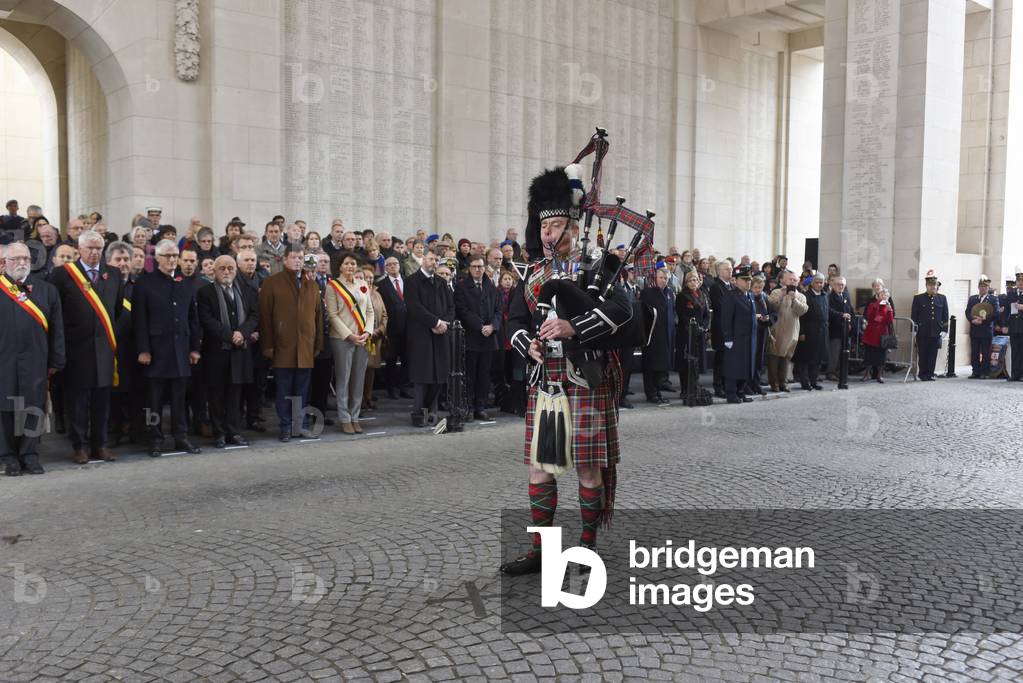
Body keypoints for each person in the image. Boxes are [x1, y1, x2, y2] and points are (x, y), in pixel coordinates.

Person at [500, 164, 631, 576]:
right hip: (546, 384)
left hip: (584, 378)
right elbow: (514, 322)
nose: (549, 234)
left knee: (589, 468)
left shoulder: (599, 267)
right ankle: (543, 551)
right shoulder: (534, 273)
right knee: (541, 468)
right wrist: (529, 345)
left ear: (573, 228)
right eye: (544, 228)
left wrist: (574, 326)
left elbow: (623, 312)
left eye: (556, 226)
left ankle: (587, 547)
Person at [47, 230, 124, 464]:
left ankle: (99, 445)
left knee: (102, 400)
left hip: (104, 350)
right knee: (78, 402)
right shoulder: (62, 275)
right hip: (76, 349)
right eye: (90, 248)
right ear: (79, 249)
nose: (94, 253)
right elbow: (55, 313)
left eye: (98, 249)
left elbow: (116, 310)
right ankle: (79, 446)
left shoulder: (113, 274)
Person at [132, 239, 203, 457]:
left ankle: (180, 436)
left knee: (179, 398)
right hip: (156, 350)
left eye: (175, 256)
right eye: (168, 256)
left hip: (181, 349)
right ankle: (155, 438)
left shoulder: (185, 282)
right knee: (154, 400)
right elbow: (139, 320)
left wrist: (194, 348)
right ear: (158, 258)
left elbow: (193, 318)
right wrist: (143, 349)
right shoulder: (145, 283)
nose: (172, 260)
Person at [0, 242, 65, 476]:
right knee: (5, 409)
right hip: (4, 361)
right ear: (4, 262)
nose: (22, 263)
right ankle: (8, 456)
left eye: (26, 258)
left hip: (36, 360)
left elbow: (58, 329)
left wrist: (57, 361)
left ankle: (30, 454)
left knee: (33, 408)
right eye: (16, 259)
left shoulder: (46, 290)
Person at [258, 244, 324, 441]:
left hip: (306, 347)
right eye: (294, 257)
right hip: (282, 347)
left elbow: (318, 317)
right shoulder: (272, 283)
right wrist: (268, 345)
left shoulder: (311, 284)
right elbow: (265, 318)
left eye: (300, 257)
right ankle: (286, 426)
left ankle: (301, 425)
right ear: (285, 259)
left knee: (302, 390)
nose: (297, 260)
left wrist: (317, 343)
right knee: (285, 390)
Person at [196, 256, 259, 448]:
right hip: (216, 352)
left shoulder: (246, 291)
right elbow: (207, 320)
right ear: (214, 271)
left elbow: (254, 316)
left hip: (240, 352)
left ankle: (234, 432)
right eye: (222, 268)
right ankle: (219, 434)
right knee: (216, 395)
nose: (226, 272)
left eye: (230, 268)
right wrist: (231, 335)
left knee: (235, 395)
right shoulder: (205, 292)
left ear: (235, 270)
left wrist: (242, 333)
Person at [326, 253, 375, 434]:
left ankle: (355, 416)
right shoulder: (333, 286)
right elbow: (332, 315)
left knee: (358, 378)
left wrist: (367, 332)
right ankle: (344, 417)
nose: (350, 266)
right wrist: (349, 335)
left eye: (353, 263)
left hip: (362, 338)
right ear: (340, 266)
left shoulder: (362, 285)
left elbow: (370, 312)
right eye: (347, 263)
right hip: (342, 339)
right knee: (344, 378)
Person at [404, 250, 454, 426]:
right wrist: (435, 322)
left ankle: (432, 413)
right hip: (421, 335)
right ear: (422, 260)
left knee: (439, 375)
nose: (434, 262)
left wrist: (444, 323)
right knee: (422, 377)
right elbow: (414, 307)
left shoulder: (441, 282)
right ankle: (419, 415)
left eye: (436, 259)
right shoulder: (411, 281)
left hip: (441, 334)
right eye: (431, 258)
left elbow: (450, 306)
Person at [454, 255, 502, 420]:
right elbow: (462, 310)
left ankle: (480, 406)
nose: (477, 269)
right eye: (474, 266)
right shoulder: (461, 287)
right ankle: (468, 406)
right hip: (472, 337)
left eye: (480, 266)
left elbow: (498, 311)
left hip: (489, 338)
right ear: (469, 268)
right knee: (470, 375)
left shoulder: (492, 288)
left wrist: (493, 326)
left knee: (484, 374)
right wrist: (480, 326)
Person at [105, 241, 142, 447]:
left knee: (137, 392)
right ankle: (114, 431)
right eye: (118, 259)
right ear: (109, 261)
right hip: (111, 349)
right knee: (113, 394)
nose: (123, 263)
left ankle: (137, 430)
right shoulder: (102, 285)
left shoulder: (141, 285)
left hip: (135, 348)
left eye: (126, 259)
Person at [766, 269, 808, 392]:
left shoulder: (801, 296)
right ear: (783, 280)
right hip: (777, 329)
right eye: (791, 279)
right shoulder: (776, 292)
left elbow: (802, 311)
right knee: (773, 357)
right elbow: (770, 305)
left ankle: (783, 382)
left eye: (795, 280)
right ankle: (774, 383)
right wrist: (782, 295)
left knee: (786, 357)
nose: (793, 282)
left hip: (791, 330)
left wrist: (794, 299)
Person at [720, 264, 757, 403]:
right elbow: (726, 319)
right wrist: (728, 338)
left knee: (746, 367)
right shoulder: (731, 296)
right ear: (736, 280)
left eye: (749, 279)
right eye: (745, 279)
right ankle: (731, 393)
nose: (748, 282)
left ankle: (741, 391)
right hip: (736, 338)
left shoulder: (750, 296)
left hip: (749, 339)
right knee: (733, 367)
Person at [640, 268, 675, 405]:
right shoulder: (647, 293)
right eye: (661, 278)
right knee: (650, 366)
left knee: (661, 366)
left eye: (666, 278)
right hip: (652, 335)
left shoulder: (670, 293)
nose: (664, 280)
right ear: (656, 278)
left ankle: (658, 391)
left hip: (667, 335)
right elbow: (643, 315)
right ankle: (651, 393)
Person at [377, 256, 410, 400]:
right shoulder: (382, 285)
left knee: (407, 359)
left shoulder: (408, 282)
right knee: (391, 360)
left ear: (399, 265)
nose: (392, 266)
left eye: (395, 264)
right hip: (391, 329)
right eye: (389, 265)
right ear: (385, 268)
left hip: (409, 328)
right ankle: (391, 389)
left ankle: (403, 387)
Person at [675, 270, 709, 398]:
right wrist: (692, 326)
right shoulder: (681, 296)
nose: (693, 282)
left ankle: (694, 385)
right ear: (686, 282)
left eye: (695, 280)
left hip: (699, 333)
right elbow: (681, 314)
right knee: (685, 361)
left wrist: (704, 327)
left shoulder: (703, 295)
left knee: (697, 360)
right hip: (686, 334)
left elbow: (706, 314)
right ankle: (685, 388)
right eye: (691, 280)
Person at [793, 272, 829, 390]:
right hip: (809, 330)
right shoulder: (806, 296)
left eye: (821, 282)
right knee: (805, 358)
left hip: (821, 331)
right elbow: (801, 316)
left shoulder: (824, 295)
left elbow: (827, 311)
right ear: (812, 283)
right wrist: (801, 332)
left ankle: (814, 381)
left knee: (817, 358)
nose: (819, 285)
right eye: (817, 282)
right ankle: (805, 382)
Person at [911, 270, 948, 381]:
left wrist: (944, 329)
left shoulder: (942, 298)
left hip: (936, 331)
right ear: (926, 286)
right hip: (922, 331)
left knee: (933, 353)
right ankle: (922, 374)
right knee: (922, 353)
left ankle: (930, 373)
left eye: (934, 285)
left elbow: (945, 315)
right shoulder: (918, 298)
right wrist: (914, 329)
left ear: (937, 286)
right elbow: (914, 315)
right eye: (930, 285)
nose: (933, 287)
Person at [360, 264, 387, 411]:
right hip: (362, 337)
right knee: (360, 370)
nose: (369, 280)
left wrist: (380, 330)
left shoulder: (377, 293)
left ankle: (368, 397)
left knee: (371, 370)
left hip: (375, 339)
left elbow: (384, 315)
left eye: (371, 277)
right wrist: (368, 332)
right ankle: (359, 400)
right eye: (365, 277)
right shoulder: (357, 292)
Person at [707, 258, 734, 398]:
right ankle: (718, 386)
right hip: (721, 328)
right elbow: (720, 307)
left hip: (732, 328)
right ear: (719, 272)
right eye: (726, 269)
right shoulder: (715, 286)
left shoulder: (732, 286)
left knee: (729, 359)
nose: (730, 270)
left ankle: (727, 384)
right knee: (721, 358)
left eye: (731, 268)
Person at [966, 275, 1000, 379]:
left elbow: (996, 314)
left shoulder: (993, 299)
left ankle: (985, 372)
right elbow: (968, 312)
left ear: (988, 288)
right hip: (975, 329)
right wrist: (973, 320)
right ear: (978, 287)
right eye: (981, 286)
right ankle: (975, 371)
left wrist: (984, 320)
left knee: (986, 352)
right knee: (975, 351)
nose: (982, 288)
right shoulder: (972, 299)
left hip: (986, 329)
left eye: (985, 287)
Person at [861, 288, 894, 382]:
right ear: (879, 296)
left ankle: (879, 375)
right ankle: (867, 374)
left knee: (881, 356)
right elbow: (869, 316)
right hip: (871, 332)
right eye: (883, 295)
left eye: (887, 296)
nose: (885, 297)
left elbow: (889, 321)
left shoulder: (888, 307)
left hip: (882, 333)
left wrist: (889, 310)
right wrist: (878, 304)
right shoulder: (873, 304)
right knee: (869, 355)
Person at [826, 276, 853, 380]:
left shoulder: (846, 295)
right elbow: (829, 311)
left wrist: (851, 322)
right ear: (833, 285)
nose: (840, 286)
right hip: (835, 328)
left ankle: (839, 372)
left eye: (842, 284)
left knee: (844, 352)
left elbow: (850, 309)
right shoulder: (829, 297)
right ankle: (831, 372)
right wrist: (841, 315)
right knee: (834, 352)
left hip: (846, 329)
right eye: (838, 284)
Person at [998, 268, 1023, 381]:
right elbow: (1007, 311)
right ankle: (1015, 374)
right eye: (1018, 281)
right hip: (1014, 327)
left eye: (1022, 281)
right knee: (1015, 351)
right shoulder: (1012, 293)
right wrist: (1004, 325)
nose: (1020, 283)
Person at [750, 274, 771, 394]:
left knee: (759, 359)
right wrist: (755, 317)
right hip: (751, 332)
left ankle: (756, 384)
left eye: (761, 287)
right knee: (751, 359)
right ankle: (748, 384)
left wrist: (768, 318)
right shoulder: (749, 297)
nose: (758, 290)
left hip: (762, 331)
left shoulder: (764, 297)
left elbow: (773, 312)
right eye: (756, 287)